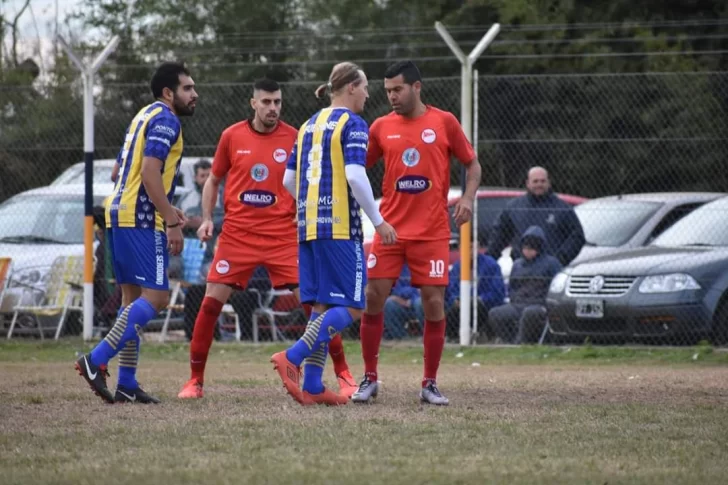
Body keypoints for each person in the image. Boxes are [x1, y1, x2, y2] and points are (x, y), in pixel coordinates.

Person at [178, 78, 358, 399]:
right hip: (238, 236)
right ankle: (195, 381)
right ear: (253, 104)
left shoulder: (296, 136)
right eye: (266, 102)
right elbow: (214, 180)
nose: (273, 108)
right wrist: (206, 219)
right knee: (209, 305)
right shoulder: (231, 136)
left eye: (277, 102)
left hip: (283, 236)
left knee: (317, 305)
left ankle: (343, 374)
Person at [352, 60, 481, 406]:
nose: (392, 96)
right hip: (390, 229)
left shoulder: (444, 122)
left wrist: (467, 198)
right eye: (388, 91)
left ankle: (430, 383)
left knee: (433, 302)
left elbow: (472, 163)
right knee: (373, 297)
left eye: (398, 89)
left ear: (417, 87)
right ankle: (369, 378)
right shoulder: (380, 127)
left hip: (432, 232)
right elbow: (358, 168)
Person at [270, 62, 397, 406]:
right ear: (352, 87)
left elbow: (287, 181)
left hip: (308, 226)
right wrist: (379, 220)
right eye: (367, 86)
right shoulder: (353, 124)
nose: (369, 94)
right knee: (356, 305)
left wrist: (314, 204)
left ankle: (312, 386)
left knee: (322, 306)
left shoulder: (308, 124)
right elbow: (356, 176)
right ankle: (293, 357)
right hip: (340, 227)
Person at [75, 62, 198, 404]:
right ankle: (95, 360)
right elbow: (148, 172)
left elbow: (120, 171)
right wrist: (170, 221)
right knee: (156, 298)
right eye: (188, 88)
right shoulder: (166, 119)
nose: (195, 94)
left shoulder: (143, 116)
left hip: (118, 213)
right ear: (169, 93)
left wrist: (167, 206)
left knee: (131, 303)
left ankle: (127, 383)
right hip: (140, 219)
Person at [488, 166, 585, 266]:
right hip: (521, 271)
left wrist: (561, 259)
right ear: (527, 183)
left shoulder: (562, 208)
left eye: (543, 181)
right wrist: (489, 261)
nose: (539, 184)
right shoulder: (514, 208)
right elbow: (499, 236)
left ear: (549, 183)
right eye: (535, 181)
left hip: (551, 272)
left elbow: (577, 236)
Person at [489, 226, 561, 344]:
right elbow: (512, 287)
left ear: (539, 247)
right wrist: (515, 300)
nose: (527, 250)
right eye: (525, 247)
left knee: (529, 313)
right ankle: (511, 342)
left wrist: (545, 303)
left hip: (539, 305)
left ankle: (521, 342)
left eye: (531, 248)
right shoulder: (517, 264)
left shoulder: (551, 263)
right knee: (495, 313)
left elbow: (556, 286)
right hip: (518, 304)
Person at [444, 231, 506, 341]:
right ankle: (452, 336)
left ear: (478, 248)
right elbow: (451, 290)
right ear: (460, 248)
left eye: (473, 247)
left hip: (483, 305)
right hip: (460, 305)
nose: (470, 251)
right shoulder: (458, 266)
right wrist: (455, 299)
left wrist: (478, 298)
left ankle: (478, 334)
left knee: (472, 305)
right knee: (451, 309)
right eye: (466, 247)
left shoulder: (491, 265)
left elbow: (498, 292)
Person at [382, 264, 423, 339]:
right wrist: (413, 292)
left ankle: (429, 337)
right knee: (389, 303)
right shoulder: (398, 267)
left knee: (419, 303)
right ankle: (402, 338)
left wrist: (411, 300)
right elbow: (397, 291)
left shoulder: (425, 264)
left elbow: (425, 289)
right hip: (404, 303)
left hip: (421, 302)